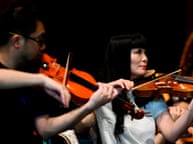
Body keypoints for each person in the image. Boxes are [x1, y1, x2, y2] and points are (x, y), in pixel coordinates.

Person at [0, 2, 134, 144]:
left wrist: (91, 103)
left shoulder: (33, 70)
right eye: (40, 40)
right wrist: (41, 79)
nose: (44, 46)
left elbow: (45, 128)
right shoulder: (35, 78)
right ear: (17, 41)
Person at [95, 33, 193, 144]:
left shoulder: (150, 96)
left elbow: (172, 134)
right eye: (138, 52)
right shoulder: (103, 94)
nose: (145, 58)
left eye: (145, 52)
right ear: (121, 56)